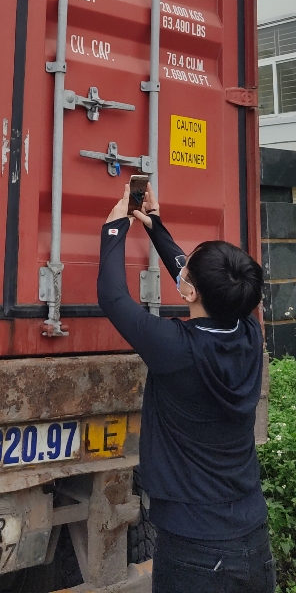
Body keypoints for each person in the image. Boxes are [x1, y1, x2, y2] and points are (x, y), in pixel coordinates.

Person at [97, 182, 274, 593]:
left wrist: (114, 228)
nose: (182, 268)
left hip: (195, 551)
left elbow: (113, 296)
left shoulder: (177, 348)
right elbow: (197, 281)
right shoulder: (250, 332)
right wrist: (155, 226)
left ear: (190, 291)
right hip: (252, 538)